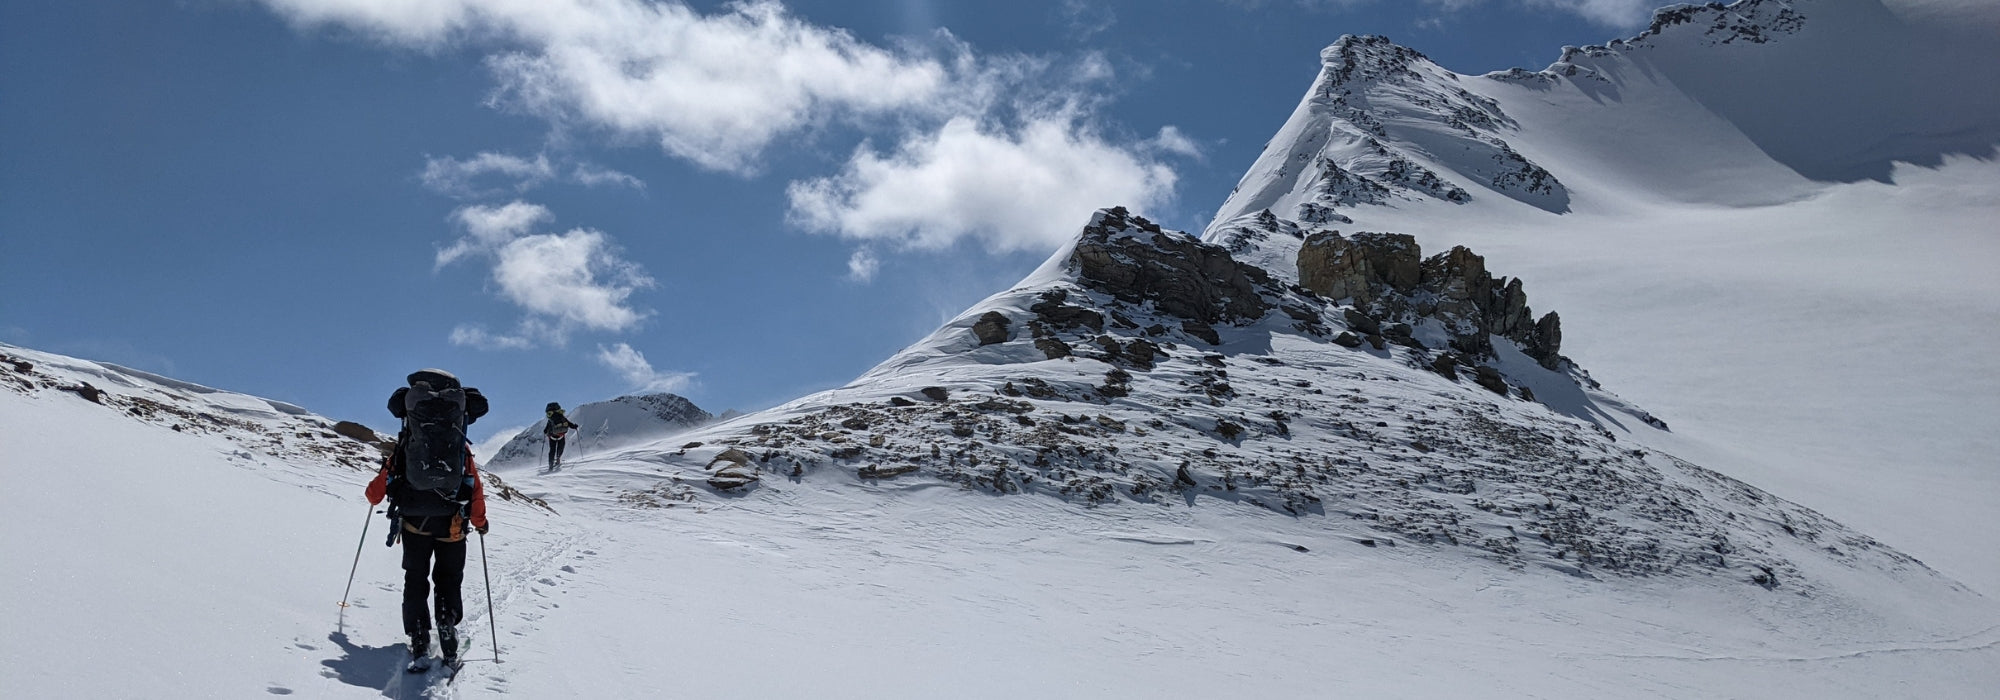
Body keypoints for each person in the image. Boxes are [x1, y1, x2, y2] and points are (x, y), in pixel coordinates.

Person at [366, 368, 489, 669]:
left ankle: (419, 637)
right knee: (448, 580)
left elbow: (375, 493)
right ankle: (447, 629)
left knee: (415, 579)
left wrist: (376, 496)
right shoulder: (460, 448)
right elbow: (474, 488)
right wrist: (481, 522)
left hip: (414, 523)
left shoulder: (408, 445)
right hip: (452, 526)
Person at [543, 401, 579, 469]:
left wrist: (545, 431)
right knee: (560, 448)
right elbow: (569, 424)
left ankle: (551, 464)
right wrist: (574, 426)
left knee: (552, 450)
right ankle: (558, 459)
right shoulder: (562, 417)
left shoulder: (550, 420)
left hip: (552, 437)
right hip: (561, 436)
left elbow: (546, 429)